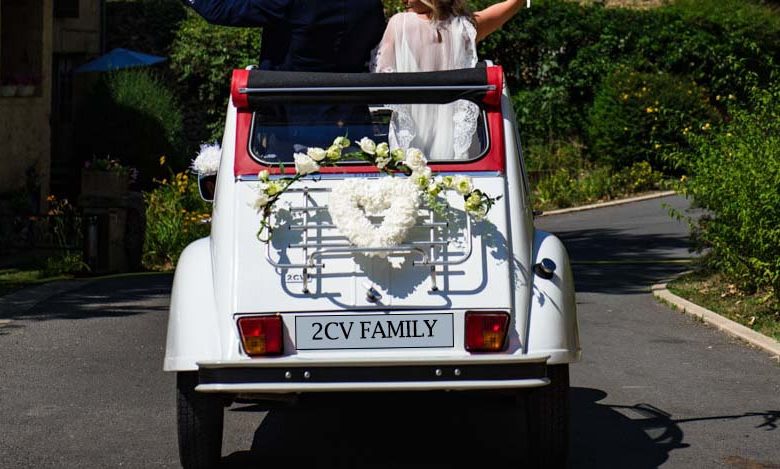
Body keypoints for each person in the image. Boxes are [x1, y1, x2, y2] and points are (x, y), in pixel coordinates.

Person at [183, 0, 387, 159]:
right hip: (354, 123)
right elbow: (374, 36)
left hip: (293, 128)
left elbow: (222, 9)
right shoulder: (370, 4)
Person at [372, 0, 523, 160]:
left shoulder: (398, 24)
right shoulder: (465, 28)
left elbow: (381, 76)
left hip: (410, 145)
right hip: (459, 150)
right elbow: (504, 10)